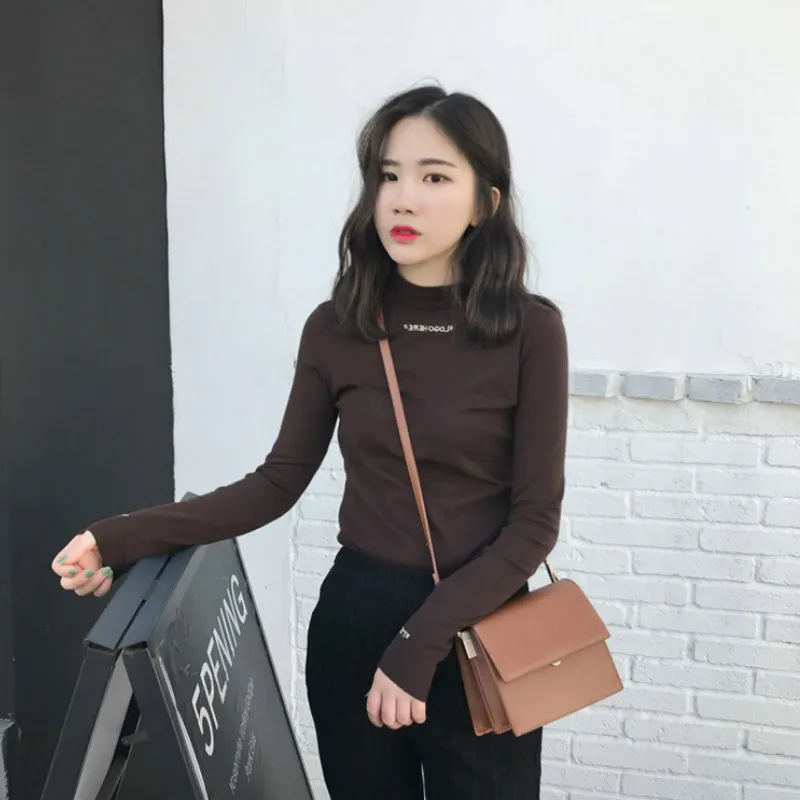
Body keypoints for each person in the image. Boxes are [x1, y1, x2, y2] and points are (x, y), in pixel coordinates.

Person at [51, 84, 569, 799]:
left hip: (482, 632)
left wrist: (419, 644)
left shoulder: (530, 331)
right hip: (358, 624)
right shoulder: (338, 327)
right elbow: (275, 484)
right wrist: (115, 538)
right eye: (388, 176)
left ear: (486, 202)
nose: (403, 200)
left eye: (434, 177)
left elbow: (533, 524)